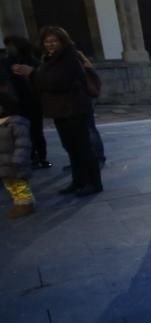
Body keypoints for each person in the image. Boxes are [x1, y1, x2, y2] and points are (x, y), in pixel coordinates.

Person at [31, 26, 102, 197]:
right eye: (47, 41)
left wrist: (33, 74)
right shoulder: (49, 58)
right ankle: (78, 181)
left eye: (54, 41)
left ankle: (94, 182)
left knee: (83, 147)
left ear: (63, 41)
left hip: (75, 109)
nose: (50, 44)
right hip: (61, 110)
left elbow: (59, 82)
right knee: (70, 147)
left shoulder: (70, 57)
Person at [4, 36, 49, 169]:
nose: (8, 48)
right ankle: (29, 157)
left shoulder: (33, 62)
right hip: (14, 103)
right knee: (18, 133)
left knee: (36, 131)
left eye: (11, 45)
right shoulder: (6, 62)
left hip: (32, 102)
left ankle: (41, 157)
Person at [0, 80, 35, 218]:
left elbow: (23, 144)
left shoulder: (15, 123)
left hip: (15, 163)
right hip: (3, 164)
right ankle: (18, 203)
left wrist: (18, 159)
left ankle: (26, 204)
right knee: (10, 185)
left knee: (20, 185)